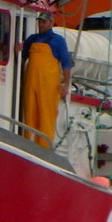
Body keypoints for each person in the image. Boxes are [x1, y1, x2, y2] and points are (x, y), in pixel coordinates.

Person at [21, 12, 73, 149]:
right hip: (31, 82)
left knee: (46, 116)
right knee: (30, 114)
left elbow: (66, 64)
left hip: (49, 84)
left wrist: (66, 84)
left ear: (51, 22)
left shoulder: (58, 40)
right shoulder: (32, 39)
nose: (41, 24)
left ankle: (44, 148)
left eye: (44, 22)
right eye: (40, 21)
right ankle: (28, 145)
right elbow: (22, 55)